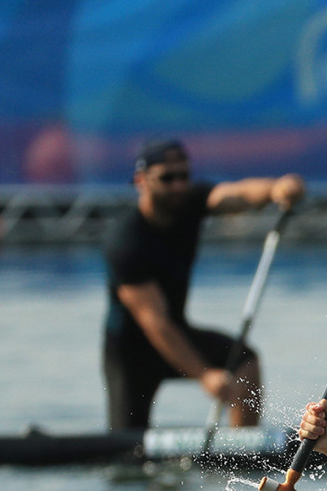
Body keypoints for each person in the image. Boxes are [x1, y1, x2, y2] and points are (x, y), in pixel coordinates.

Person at [102, 138, 305, 430]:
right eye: (167, 178)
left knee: (245, 361)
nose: (177, 186)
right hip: (130, 354)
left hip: (178, 332)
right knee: (127, 451)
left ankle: (240, 452)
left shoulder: (189, 203)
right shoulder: (126, 242)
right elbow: (154, 322)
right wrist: (204, 375)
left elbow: (236, 195)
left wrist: (276, 189)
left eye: (183, 176)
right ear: (140, 181)